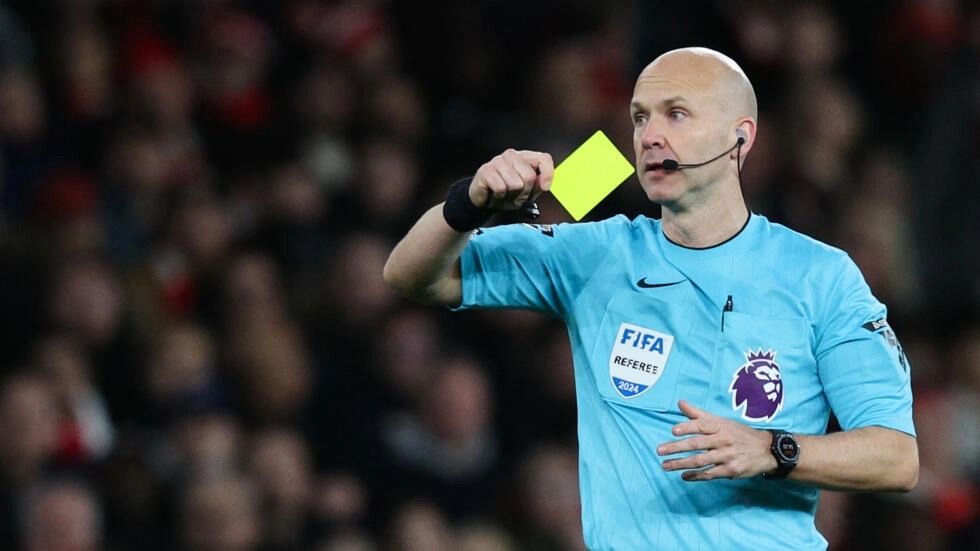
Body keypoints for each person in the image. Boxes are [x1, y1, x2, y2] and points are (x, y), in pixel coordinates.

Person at [383, 46, 918, 550]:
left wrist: (772, 449)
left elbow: (897, 458)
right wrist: (469, 201)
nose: (650, 135)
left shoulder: (820, 276)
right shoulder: (597, 255)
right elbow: (410, 275)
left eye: (676, 114)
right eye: (640, 118)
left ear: (740, 137)